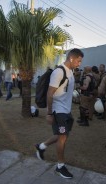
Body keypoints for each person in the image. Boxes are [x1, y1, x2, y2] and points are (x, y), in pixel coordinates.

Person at [35, 48, 83, 179]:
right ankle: (60, 166)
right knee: (62, 138)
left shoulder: (71, 71)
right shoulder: (59, 72)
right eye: (78, 61)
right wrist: (49, 113)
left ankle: (41, 146)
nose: (79, 64)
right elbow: (50, 93)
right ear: (71, 58)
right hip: (58, 110)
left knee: (62, 135)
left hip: (66, 110)